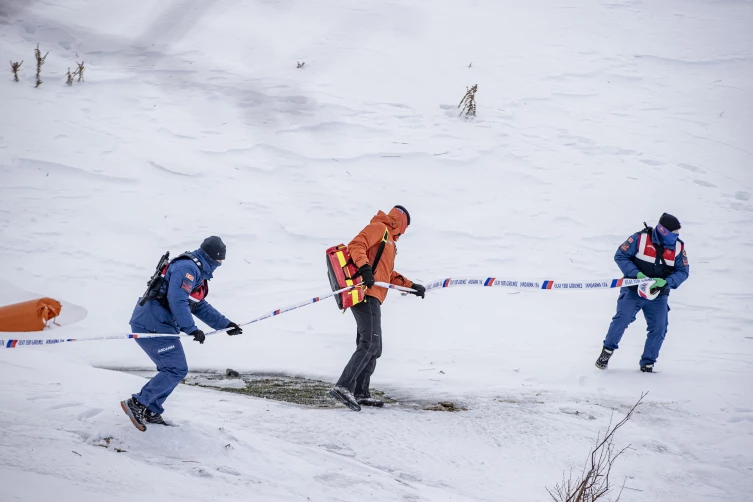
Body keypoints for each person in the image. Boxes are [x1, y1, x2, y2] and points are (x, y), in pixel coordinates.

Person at [120, 236, 242, 430]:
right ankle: (138, 403)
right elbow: (177, 300)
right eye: (220, 260)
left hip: (159, 322)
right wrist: (191, 328)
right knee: (175, 369)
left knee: (172, 369)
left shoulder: (196, 270)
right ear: (212, 257)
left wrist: (225, 325)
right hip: (152, 324)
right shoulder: (188, 269)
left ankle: (151, 410)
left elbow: (198, 305)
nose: (220, 264)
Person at [329, 206, 425, 411]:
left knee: (374, 346)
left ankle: (361, 393)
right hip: (366, 293)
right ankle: (344, 386)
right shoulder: (379, 229)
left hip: (374, 295)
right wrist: (364, 269)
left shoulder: (389, 241)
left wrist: (411, 286)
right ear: (401, 221)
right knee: (370, 343)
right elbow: (356, 245)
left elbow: (387, 273)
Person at [595, 213, 689, 372]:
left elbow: (683, 271)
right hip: (633, 290)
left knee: (659, 327)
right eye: (674, 232)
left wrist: (667, 282)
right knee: (622, 319)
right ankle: (607, 352)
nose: (677, 235)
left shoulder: (678, 247)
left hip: (658, 294)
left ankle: (648, 363)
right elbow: (621, 256)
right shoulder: (639, 239)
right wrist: (636, 274)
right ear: (663, 231)